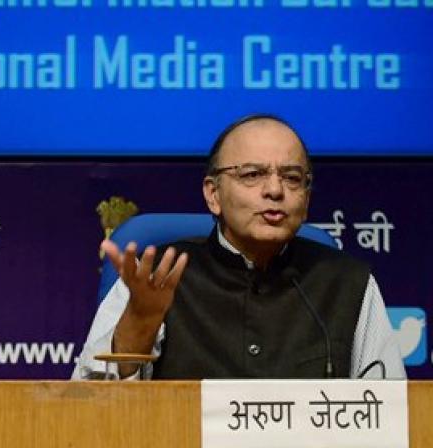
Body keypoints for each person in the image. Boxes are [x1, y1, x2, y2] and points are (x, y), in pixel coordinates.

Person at [73, 114, 405, 380]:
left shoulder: (346, 282)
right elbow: (91, 408)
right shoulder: (158, 277)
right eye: (252, 174)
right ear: (213, 195)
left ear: (306, 200)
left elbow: (393, 413)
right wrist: (140, 324)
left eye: (292, 177)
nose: (275, 190)